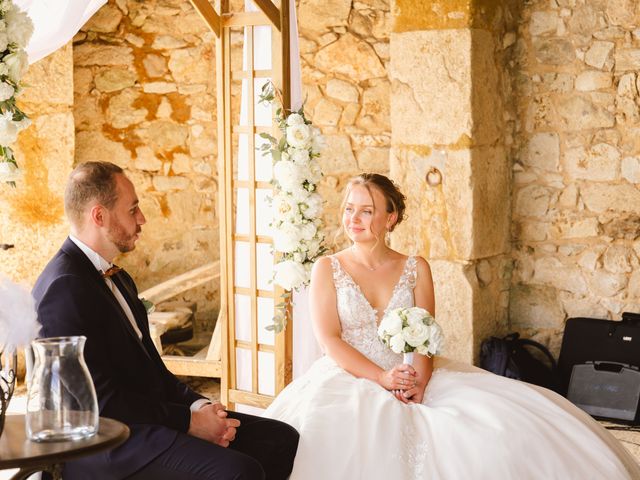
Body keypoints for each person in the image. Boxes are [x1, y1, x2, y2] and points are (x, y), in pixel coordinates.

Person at [264, 173, 640, 479]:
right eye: (349, 209)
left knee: (500, 432)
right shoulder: (327, 268)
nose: (353, 219)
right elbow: (329, 339)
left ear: (390, 217)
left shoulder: (416, 267)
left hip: (414, 375)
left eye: (366, 211)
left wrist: (418, 383)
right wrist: (382, 378)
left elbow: (425, 338)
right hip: (350, 375)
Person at [33, 162, 299, 480]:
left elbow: (154, 372)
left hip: (145, 422)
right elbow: (99, 403)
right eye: (132, 210)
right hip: (105, 444)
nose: (142, 219)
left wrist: (200, 407)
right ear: (99, 216)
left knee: (279, 439)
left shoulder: (120, 279)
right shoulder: (64, 286)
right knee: (239, 471)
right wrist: (187, 422)